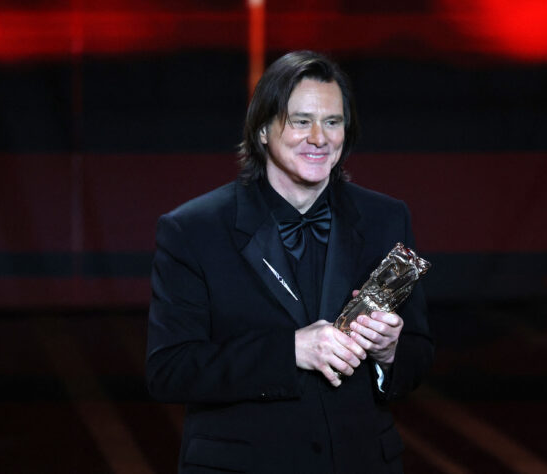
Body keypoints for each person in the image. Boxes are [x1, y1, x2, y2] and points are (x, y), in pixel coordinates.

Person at [146, 50, 433, 474]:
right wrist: (289, 352)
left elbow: (419, 357)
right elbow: (169, 371)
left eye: (332, 122)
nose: (319, 137)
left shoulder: (386, 218)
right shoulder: (193, 230)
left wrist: (389, 353)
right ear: (262, 129)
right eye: (301, 121)